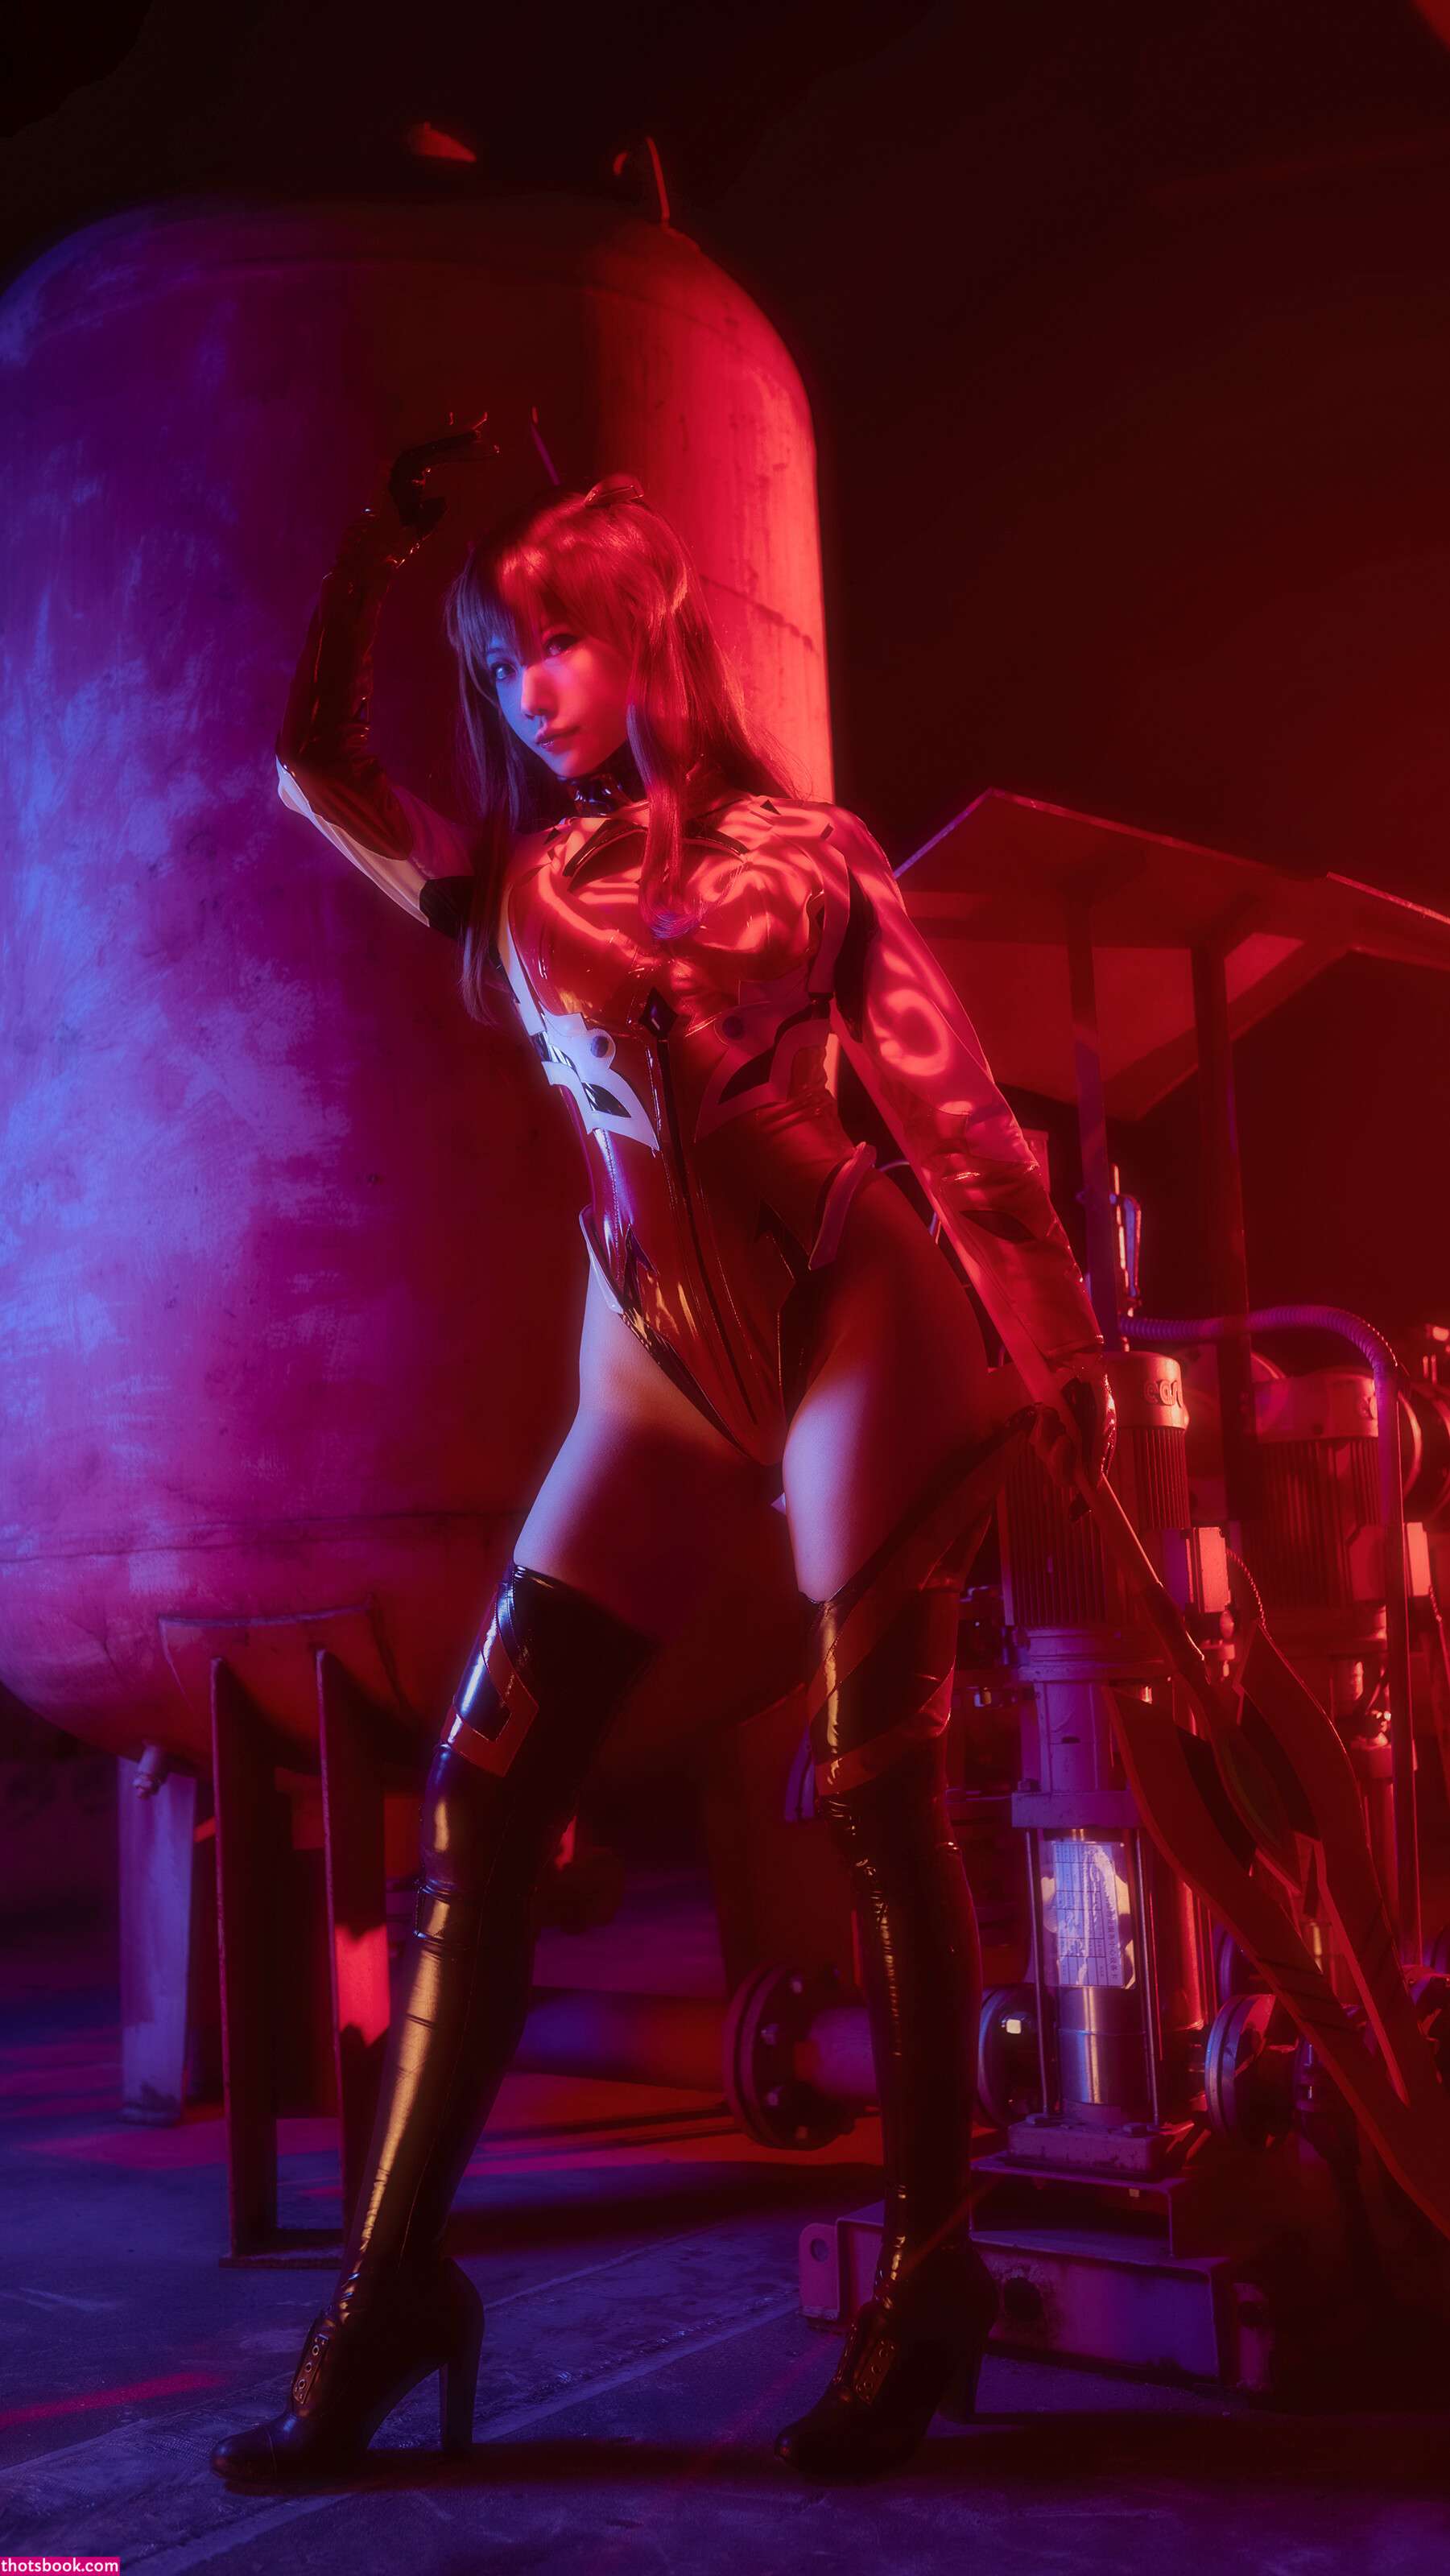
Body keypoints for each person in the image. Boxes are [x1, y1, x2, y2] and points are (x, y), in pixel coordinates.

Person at [209, 423, 1114, 2487]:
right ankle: (388, 2294)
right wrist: (375, 544)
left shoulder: (816, 851)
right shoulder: (519, 880)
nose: (526, 687)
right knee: (482, 1800)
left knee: (879, 1798)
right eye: (498, 660)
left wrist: (1059, 1357)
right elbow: (315, 773)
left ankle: (931, 2272)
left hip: (854, 1306)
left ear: (644, 630)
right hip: (649, 1350)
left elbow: (959, 1119)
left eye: (553, 640)